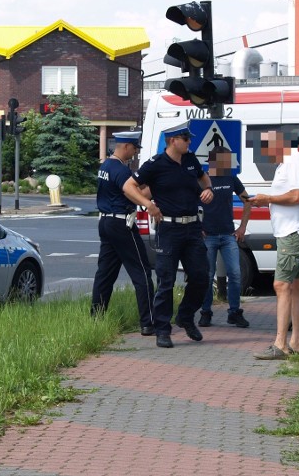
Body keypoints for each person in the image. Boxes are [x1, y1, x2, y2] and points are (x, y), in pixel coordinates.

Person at [123, 121, 213, 349]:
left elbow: (204, 178)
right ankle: (162, 329)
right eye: (186, 139)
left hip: (193, 227)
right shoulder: (156, 164)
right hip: (169, 229)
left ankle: (185, 316)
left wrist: (208, 190)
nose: (190, 142)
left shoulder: (190, 160)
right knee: (166, 281)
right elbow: (128, 187)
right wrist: (148, 205)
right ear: (173, 140)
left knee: (201, 277)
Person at [250, 130, 299, 359]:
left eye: (266, 148)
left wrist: (267, 198)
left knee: (281, 285)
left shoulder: (294, 160)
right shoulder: (286, 163)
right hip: (292, 230)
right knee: (296, 286)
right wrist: (266, 200)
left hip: (293, 231)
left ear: (278, 144)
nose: (264, 154)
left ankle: (280, 344)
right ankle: (296, 342)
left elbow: (297, 196)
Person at [91, 131, 155, 336]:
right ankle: (148, 322)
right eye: (135, 148)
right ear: (126, 146)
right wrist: (153, 185)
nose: (135, 152)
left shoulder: (106, 166)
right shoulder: (120, 170)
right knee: (142, 272)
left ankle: (96, 317)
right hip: (121, 224)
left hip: (106, 222)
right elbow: (134, 194)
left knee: (105, 274)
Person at [198, 146, 253, 328]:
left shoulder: (231, 177)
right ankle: (206, 312)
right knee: (207, 276)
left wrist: (243, 227)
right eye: (226, 159)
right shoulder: (203, 179)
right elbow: (190, 203)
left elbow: (247, 200)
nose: (229, 163)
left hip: (229, 234)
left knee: (236, 274)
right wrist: (198, 226)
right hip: (208, 236)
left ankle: (234, 312)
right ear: (213, 161)